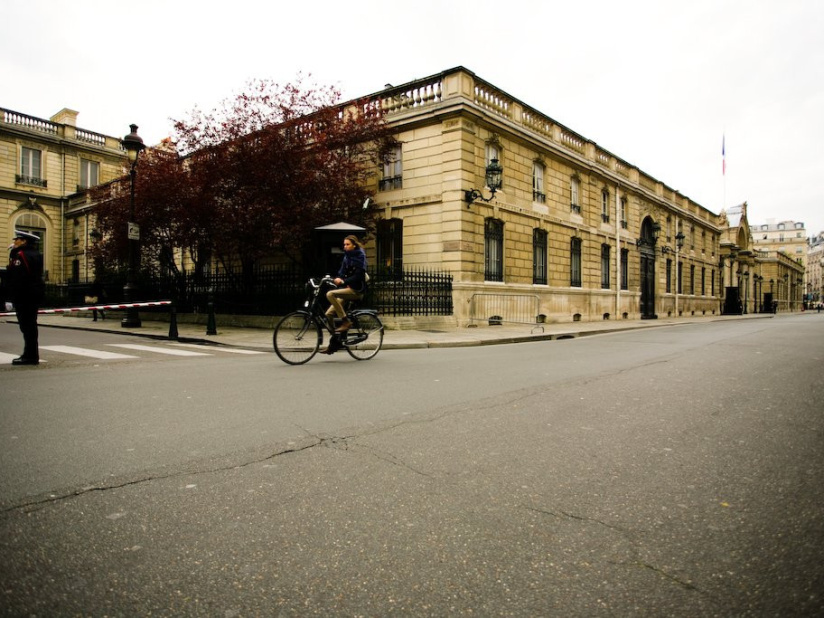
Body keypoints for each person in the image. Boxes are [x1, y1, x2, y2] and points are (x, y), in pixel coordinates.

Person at [321, 235, 368, 354]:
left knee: (330, 294)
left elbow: (358, 276)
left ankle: (345, 321)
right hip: (347, 290)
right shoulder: (347, 257)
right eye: (344, 244)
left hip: (356, 290)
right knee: (328, 314)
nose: (345, 246)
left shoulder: (360, 256)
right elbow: (342, 272)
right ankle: (335, 342)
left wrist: (344, 281)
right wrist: (336, 278)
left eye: (347, 244)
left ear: (354, 245)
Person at [5, 230, 44, 366]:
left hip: (24, 296)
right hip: (33, 295)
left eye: (17, 240)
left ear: (24, 241)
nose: (15, 242)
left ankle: (30, 356)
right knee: (31, 326)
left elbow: (17, 278)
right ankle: (31, 354)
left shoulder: (21, 255)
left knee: (27, 327)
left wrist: (10, 298)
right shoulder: (36, 254)